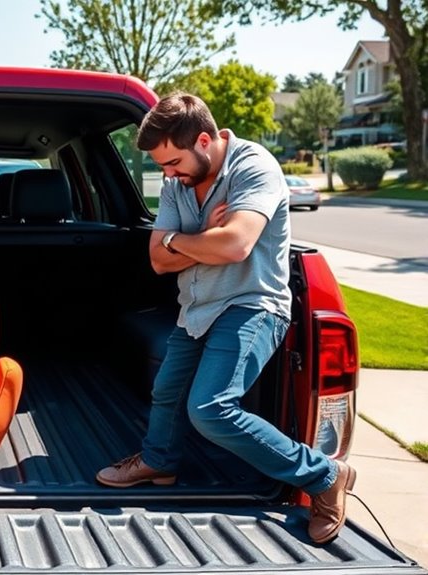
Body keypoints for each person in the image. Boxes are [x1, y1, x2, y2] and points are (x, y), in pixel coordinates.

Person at [95, 93, 355, 544]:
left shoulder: (253, 167)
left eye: (173, 161)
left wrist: (183, 240)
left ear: (203, 139)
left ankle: (324, 475)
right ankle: (159, 462)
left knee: (210, 409)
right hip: (197, 307)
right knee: (167, 392)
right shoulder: (179, 182)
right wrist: (199, 235)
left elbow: (235, 246)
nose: (168, 174)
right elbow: (157, 259)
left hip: (252, 305)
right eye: (162, 166)